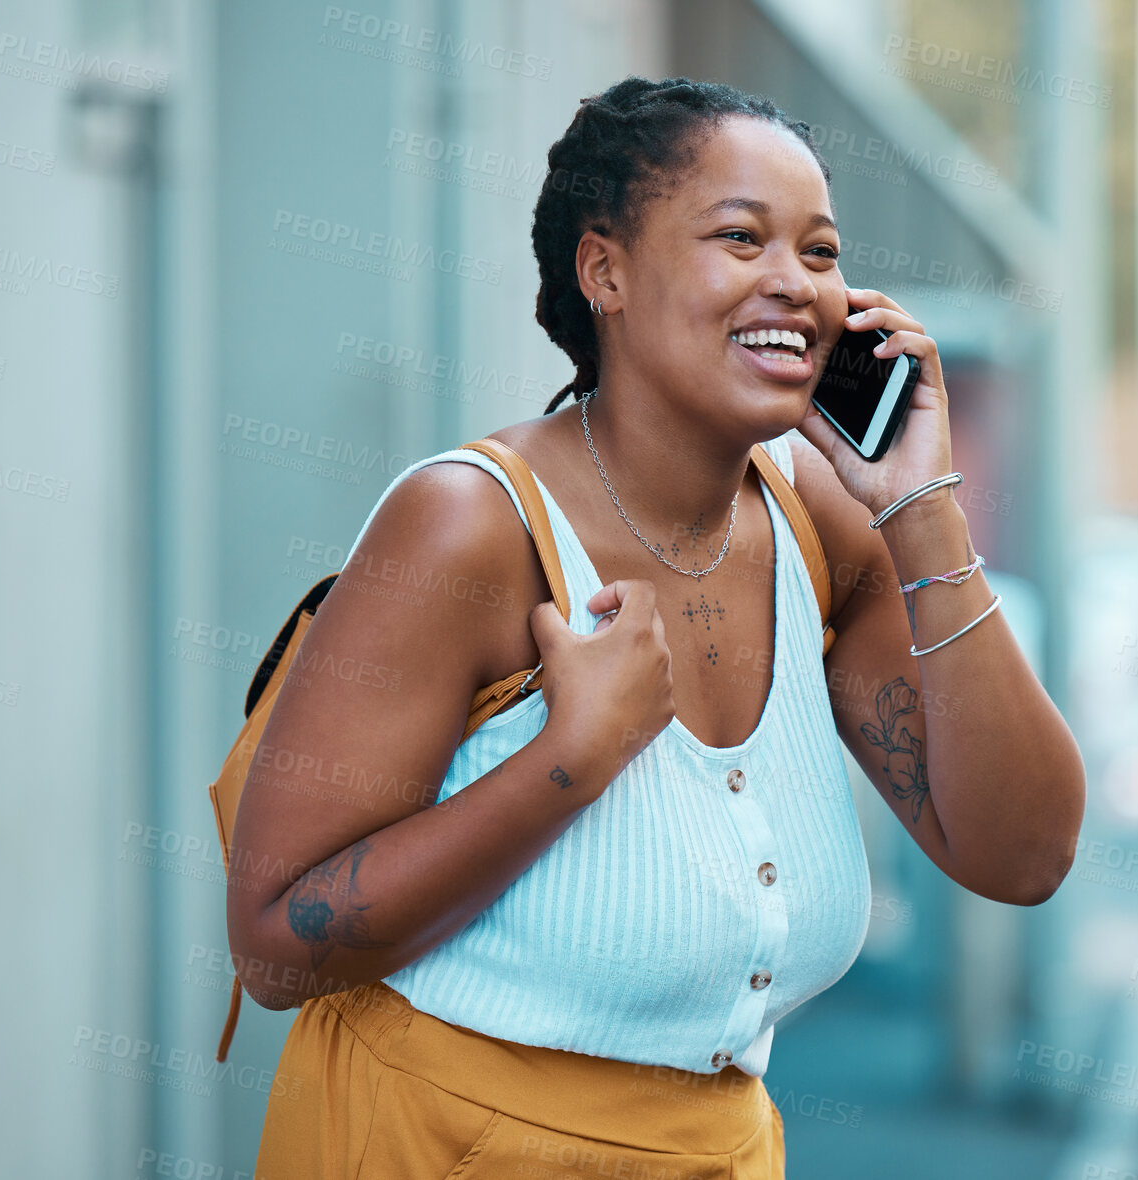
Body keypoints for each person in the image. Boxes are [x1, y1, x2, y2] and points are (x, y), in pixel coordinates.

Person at [227, 75, 1085, 1178]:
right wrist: (569, 761)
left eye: (820, 254)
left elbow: (1024, 854)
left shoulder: (818, 523)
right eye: (740, 237)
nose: (795, 286)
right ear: (605, 271)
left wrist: (920, 512)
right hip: (432, 1145)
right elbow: (273, 949)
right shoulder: (466, 528)